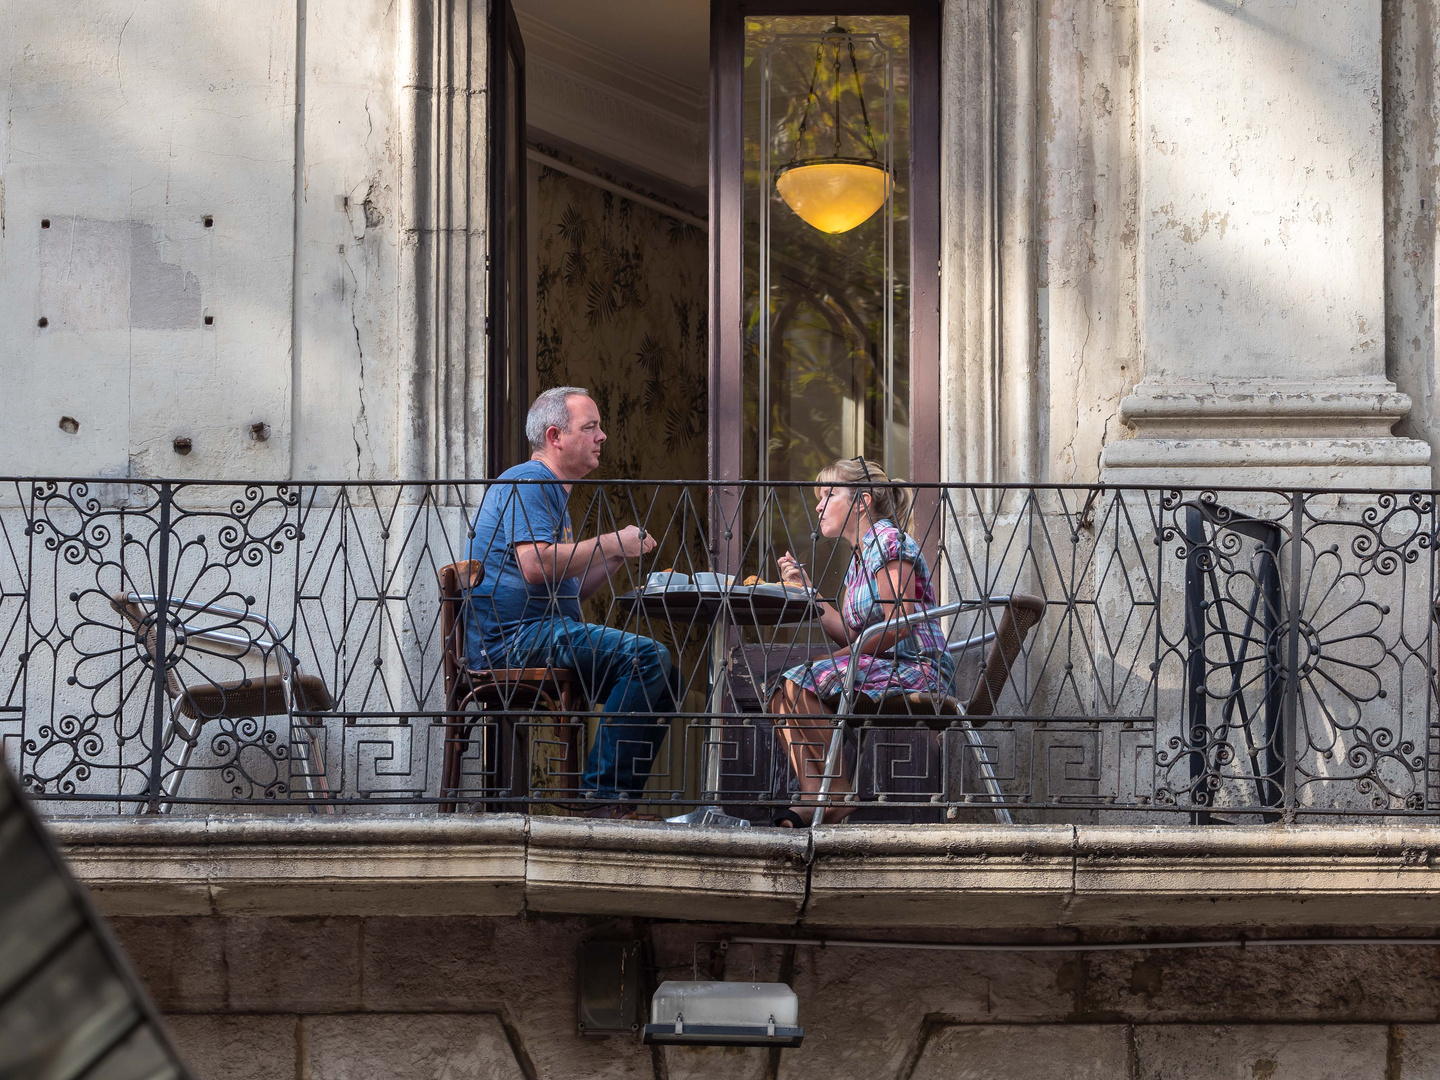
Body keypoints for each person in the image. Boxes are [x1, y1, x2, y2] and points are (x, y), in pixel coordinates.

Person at [466, 386, 671, 816]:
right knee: (648, 660)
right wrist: (612, 539)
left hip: (538, 634)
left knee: (660, 671)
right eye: (590, 427)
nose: (602, 437)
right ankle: (605, 799)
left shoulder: (551, 493)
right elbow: (536, 566)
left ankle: (609, 797)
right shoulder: (531, 480)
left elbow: (572, 589)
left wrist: (615, 555)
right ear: (556, 436)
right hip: (514, 640)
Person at [767, 457, 952, 825]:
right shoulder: (861, 556)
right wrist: (808, 592)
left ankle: (831, 796)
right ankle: (817, 795)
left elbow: (900, 623)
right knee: (780, 693)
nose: (818, 505)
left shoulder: (889, 541)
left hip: (916, 668)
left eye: (829, 494)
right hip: (882, 666)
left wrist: (845, 656)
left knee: (797, 681)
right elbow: (853, 633)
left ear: (862, 501)